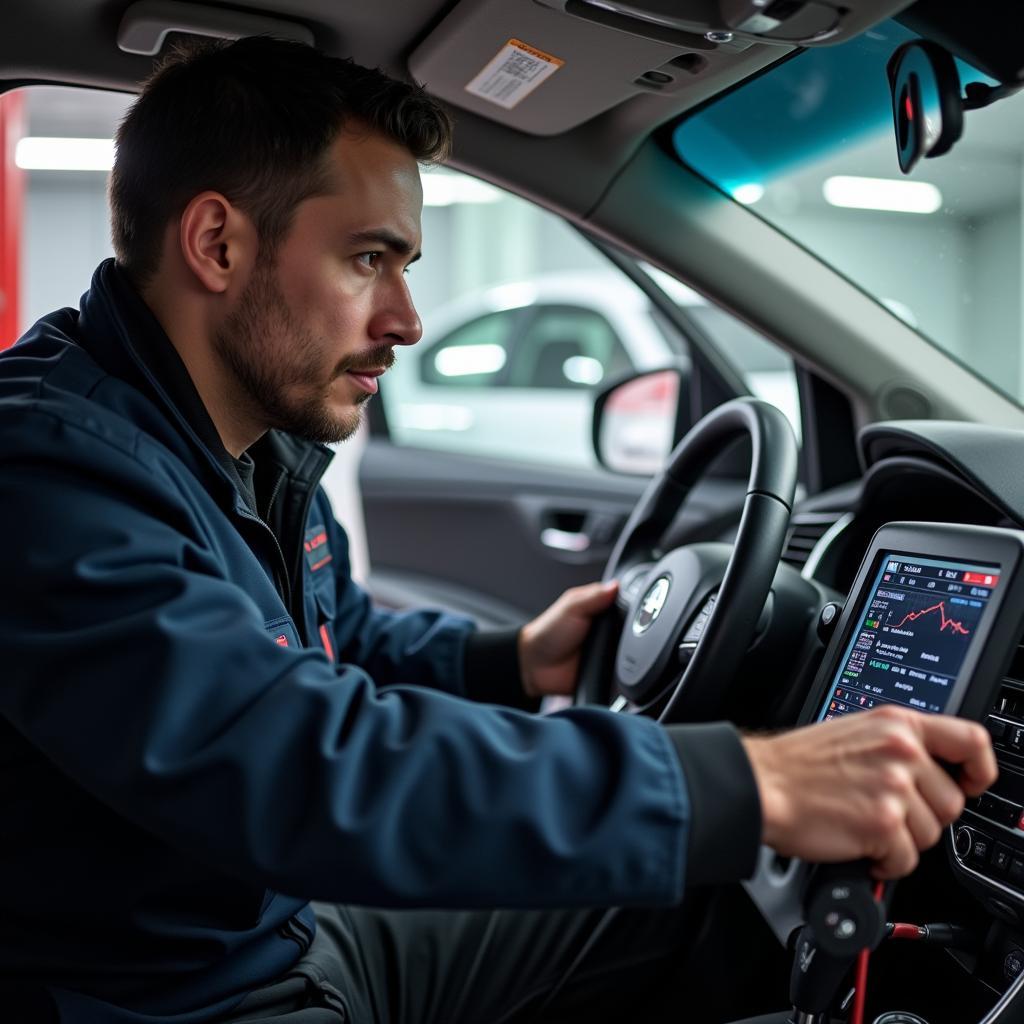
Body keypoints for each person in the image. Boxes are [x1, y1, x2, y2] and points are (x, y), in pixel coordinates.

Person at [0, 36, 996, 1024]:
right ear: (217, 244)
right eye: (368, 260)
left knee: (691, 913)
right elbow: (293, 758)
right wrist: (750, 783)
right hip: (169, 997)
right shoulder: (47, 474)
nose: (407, 317)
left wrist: (512, 659)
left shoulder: (249, 439)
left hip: (279, 928)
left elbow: (333, 646)